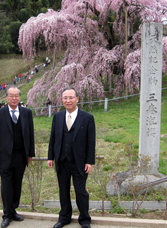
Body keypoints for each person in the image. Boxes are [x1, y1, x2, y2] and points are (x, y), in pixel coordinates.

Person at [47, 87, 96, 228]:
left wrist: (89, 161)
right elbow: (53, 138)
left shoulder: (87, 118)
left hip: (79, 162)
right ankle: (64, 218)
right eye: (65, 98)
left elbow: (91, 142)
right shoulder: (57, 117)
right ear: (62, 100)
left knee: (81, 191)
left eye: (71, 97)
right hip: (62, 161)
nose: (68, 100)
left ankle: (85, 218)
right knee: (63, 190)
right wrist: (50, 157)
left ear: (77, 99)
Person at [0, 86, 35, 228]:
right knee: (6, 186)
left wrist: (30, 153)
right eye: (11, 95)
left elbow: (31, 134)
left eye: (17, 95)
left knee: (17, 184)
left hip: (21, 156)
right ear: (6, 97)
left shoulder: (27, 113)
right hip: (4, 157)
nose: (14, 98)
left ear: (19, 97)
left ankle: (13, 210)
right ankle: (6, 215)